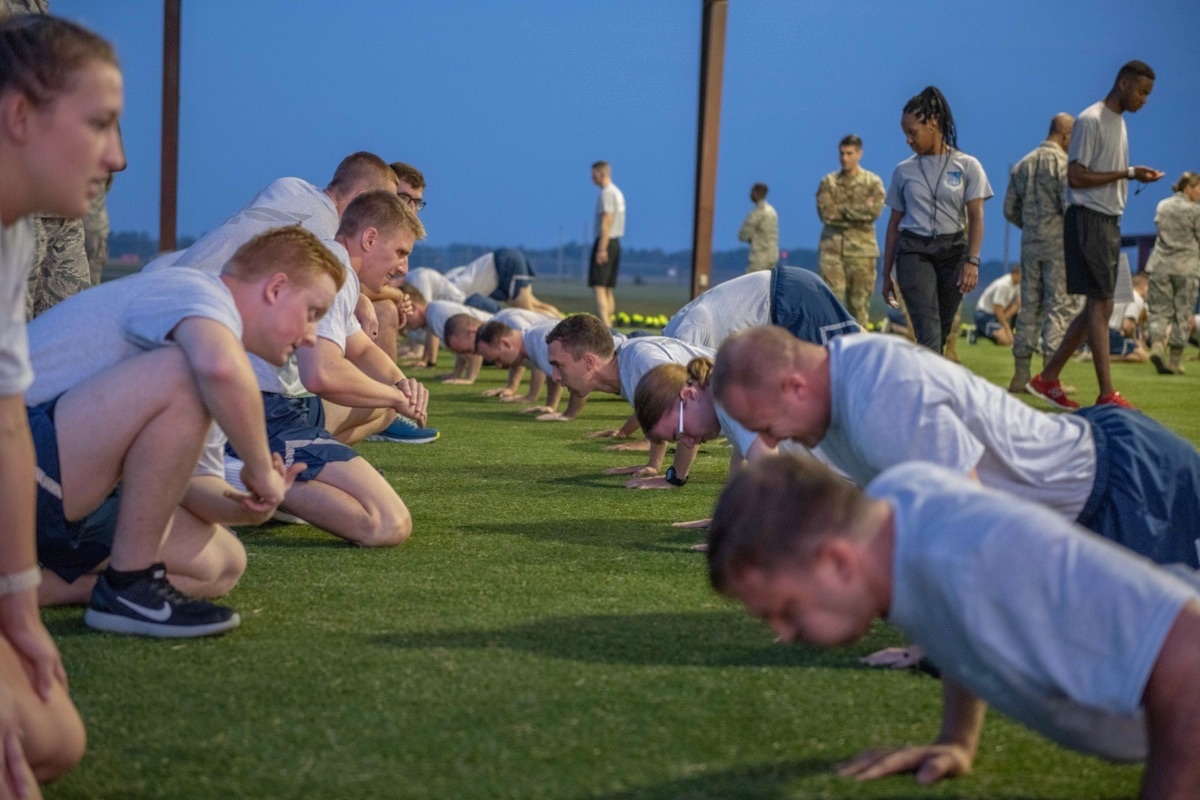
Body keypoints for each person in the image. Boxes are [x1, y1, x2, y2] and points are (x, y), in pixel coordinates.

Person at [707, 454, 1200, 796]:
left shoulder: (975, 558)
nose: (784, 632)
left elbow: (1191, 655)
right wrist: (956, 739)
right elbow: (949, 610)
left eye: (787, 610)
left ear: (837, 563)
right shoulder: (892, 511)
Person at [27, 226, 341, 636]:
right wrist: (261, 466)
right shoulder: (194, 291)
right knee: (186, 372)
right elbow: (215, 366)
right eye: (313, 313)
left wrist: (246, 505)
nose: (312, 335)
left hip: (54, 487)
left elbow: (194, 483)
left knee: (222, 563)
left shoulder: (210, 358)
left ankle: (33, 589)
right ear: (276, 287)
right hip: (17, 454)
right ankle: (128, 586)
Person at [712, 325, 1200, 568]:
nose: (771, 443)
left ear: (795, 387)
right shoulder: (833, 394)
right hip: (1095, 487)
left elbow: (968, 530)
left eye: (767, 426)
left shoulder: (880, 395)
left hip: (1128, 485)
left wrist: (935, 646)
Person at [0, 9, 118, 784]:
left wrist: (18, 602)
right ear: (18, 116)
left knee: (54, 740)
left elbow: (7, 421)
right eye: (101, 123)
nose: (119, 156)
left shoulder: (13, 232)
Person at [229, 192, 428, 545]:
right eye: (401, 252)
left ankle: (288, 475)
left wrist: (402, 383)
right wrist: (396, 397)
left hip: (260, 405)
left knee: (379, 405)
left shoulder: (326, 259)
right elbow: (321, 373)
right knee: (389, 523)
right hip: (260, 415)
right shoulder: (333, 269)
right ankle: (245, 473)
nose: (403, 268)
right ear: (369, 238)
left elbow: (360, 346)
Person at [1028, 60, 1165, 410]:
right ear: (1123, 83)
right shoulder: (1091, 119)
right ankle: (1106, 395)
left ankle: (1047, 378)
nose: (1144, 100)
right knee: (1102, 304)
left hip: (1106, 220)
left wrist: (1130, 175)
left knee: (1096, 306)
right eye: (1141, 91)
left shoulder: (1117, 122)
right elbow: (1075, 176)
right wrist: (1130, 173)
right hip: (1089, 219)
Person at [881, 87, 992, 355]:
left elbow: (976, 217)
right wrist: (886, 275)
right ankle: (927, 394)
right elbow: (893, 225)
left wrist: (972, 261)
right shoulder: (903, 171)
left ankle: (926, 385)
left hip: (953, 252)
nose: (908, 140)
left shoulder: (967, 166)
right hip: (913, 252)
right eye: (905, 133)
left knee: (939, 332)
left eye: (912, 132)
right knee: (928, 331)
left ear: (932, 123)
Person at [546, 314, 716, 489]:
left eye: (559, 365)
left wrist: (675, 478)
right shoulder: (630, 365)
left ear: (589, 361)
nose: (555, 377)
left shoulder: (641, 360)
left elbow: (690, 411)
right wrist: (653, 465)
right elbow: (658, 410)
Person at [1003, 113, 1077, 391]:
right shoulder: (1063, 165)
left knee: (1028, 307)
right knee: (1058, 307)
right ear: (1065, 134)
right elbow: (1068, 206)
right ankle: (1049, 377)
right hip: (1058, 245)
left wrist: (1031, 226)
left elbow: (1009, 209)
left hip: (1030, 245)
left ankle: (1020, 374)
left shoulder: (1023, 164)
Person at [661, 265, 860, 350]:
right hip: (787, 292)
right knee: (849, 339)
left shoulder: (683, 332)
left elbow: (670, 391)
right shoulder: (679, 323)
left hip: (786, 298)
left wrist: (639, 432)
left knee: (836, 361)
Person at [816, 135, 885, 325]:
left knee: (859, 308)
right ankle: (831, 351)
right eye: (842, 153)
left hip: (862, 254)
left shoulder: (872, 182)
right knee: (830, 305)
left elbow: (875, 212)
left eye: (849, 153)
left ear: (859, 154)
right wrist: (860, 210)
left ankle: (859, 352)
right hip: (832, 253)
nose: (844, 158)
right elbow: (826, 214)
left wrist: (843, 209)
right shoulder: (828, 182)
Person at [475, 317, 584, 420]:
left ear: (505, 343)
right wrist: (550, 406)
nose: (498, 366)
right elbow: (551, 371)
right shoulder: (533, 337)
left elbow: (580, 377)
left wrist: (568, 415)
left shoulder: (541, 343)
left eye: (497, 359)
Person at [1145, 171, 1200, 375]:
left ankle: (1157, 347)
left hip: (1160, 265)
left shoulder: (1163, 206)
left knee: (1158, 311)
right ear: (1188, 188)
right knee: (1182, 314)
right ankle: (1174, 362)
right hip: (1186, 267)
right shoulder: (1195, 211)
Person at [444, 248, 563, 317]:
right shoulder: (449, 278)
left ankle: (559, 326)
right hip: (505, 262)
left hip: (505, 264)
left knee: (527, 313)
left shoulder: (451, 289)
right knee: (535, 304)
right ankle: (561, 320)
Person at [589, 160, 626, 324]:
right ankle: (609, 324)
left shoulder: (607, 194)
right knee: (608, 288)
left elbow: (606, 222)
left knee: (599, 286)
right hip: (615, 242)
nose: (592, 177)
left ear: (601, 173)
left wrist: (601, 249)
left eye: (594, 174)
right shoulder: (617, 193)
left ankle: (606, 326)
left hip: (606, 242)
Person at [971, 266, 1021, 346]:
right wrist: (1007, 329)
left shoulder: (1017, 285)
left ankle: (988, 331)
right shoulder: (1003, 285)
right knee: (1006, 341)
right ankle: (978, 332)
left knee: (1009, 339)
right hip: (984, 314)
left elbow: (1018, 303)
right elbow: (997, 309)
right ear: (1015, 274)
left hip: (997, 316)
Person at [737, 183, 779, 273]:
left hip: (758, 258)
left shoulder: (757, 213)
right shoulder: (772, 211)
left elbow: (743, 235)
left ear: (756, 193)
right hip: (772, 256)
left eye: (752, 191)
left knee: (752, 284)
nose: (750, 194)